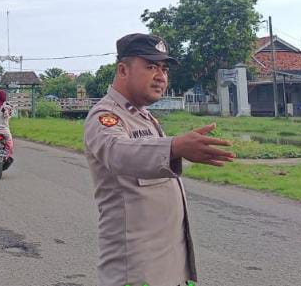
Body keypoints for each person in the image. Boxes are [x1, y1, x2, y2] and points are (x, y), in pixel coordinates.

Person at [84, 33, 236, 286]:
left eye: (164, 69)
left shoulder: (142, 116)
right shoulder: (105, 116)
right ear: (123, 70)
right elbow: (118, 152)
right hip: (136, 273)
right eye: (151, 66)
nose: (161, 76)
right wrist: (175, 146)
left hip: (171, 268)